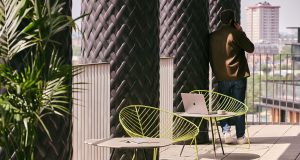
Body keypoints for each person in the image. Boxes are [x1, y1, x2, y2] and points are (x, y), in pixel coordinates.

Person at [209, 9, 254, 144]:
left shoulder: (213, 36)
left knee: (223, 108)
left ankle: (226, 132)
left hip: (222, 77)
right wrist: (240, 31)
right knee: (238, 106)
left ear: (221, 20)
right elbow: (250, 48)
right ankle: (240, 137)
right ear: (233, 20)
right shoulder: (236, 34)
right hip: (238, 76)